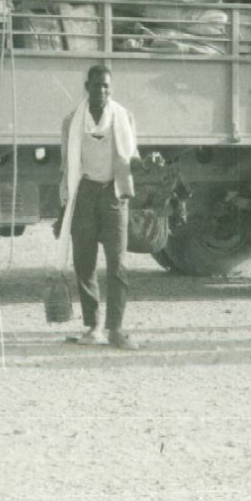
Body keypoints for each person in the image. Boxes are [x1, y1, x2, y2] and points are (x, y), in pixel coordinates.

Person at [54, 65, 142, 350]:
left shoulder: (124, 118)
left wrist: (143, 164)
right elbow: (66, 166)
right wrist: (63, 208)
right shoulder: (72, 122)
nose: (101, 91)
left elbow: (132, 156)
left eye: (106, 86)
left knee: (118, 264)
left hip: (113, 195)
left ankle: (115, 328)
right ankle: (93, 327)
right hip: (84, 195)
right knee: (84, 263)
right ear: (86, 86)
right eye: (96, 86)